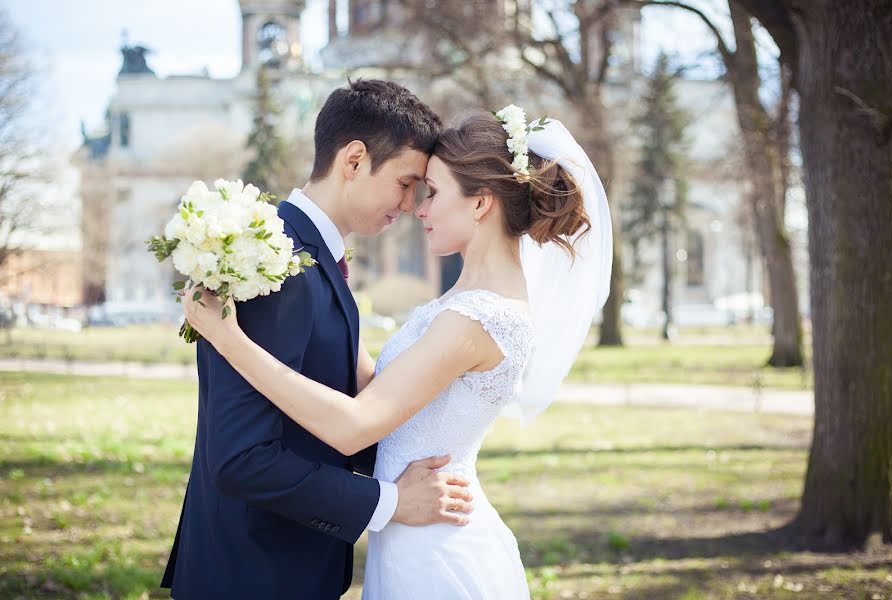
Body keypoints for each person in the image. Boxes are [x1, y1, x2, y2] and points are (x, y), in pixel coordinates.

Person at [182, 109, 613, 599]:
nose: (418, 208)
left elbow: (354, 423)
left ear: (480, 205)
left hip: (437, 548)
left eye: (432, 191)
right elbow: (379, 385)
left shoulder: (479, 319)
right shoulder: (460, 304)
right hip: (411, 537)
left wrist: (228, 338)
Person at [162, 80, 478, 600]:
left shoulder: (310, 258)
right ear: (354, 160)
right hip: (252, 576)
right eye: (404, 183)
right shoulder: (272, 263)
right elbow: (242, 458)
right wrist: (388, 503)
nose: (408, 205)